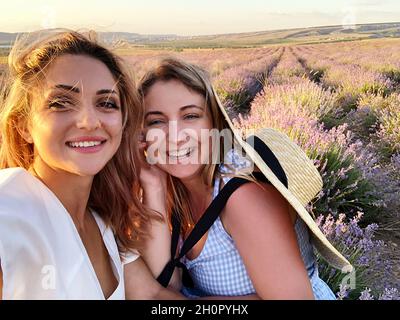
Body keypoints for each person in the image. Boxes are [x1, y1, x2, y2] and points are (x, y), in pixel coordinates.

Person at [137, 57, 353, 300]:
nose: (175, 136)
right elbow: (169, 283)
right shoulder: (172, 189)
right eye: (157, 121)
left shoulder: (244, 195)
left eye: (190, 116)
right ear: (142, 134)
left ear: (214, 123)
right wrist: (152, 184)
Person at [0, 30, 183, 300]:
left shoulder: (101, 222)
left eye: (106, 103)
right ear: (23, 125)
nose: (89, 121)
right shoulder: (8, 211)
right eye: (61, 103)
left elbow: (153, 296)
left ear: (122, 123)